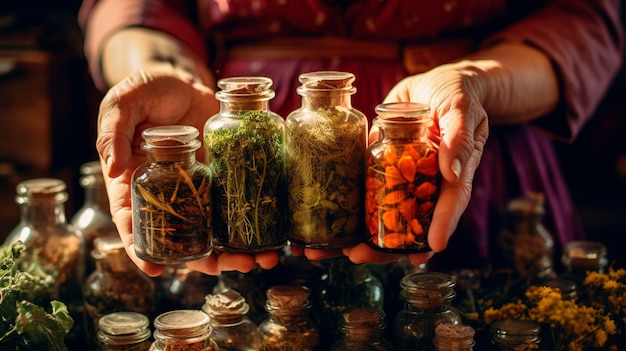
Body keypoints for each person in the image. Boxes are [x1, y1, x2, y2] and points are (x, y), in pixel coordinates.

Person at [78, 0, 623, 277]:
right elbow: (141, 8)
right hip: (214, 102)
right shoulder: (261, 127)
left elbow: (583, 17)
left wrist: (479, 81)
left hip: (454, 127)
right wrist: (160, 68)